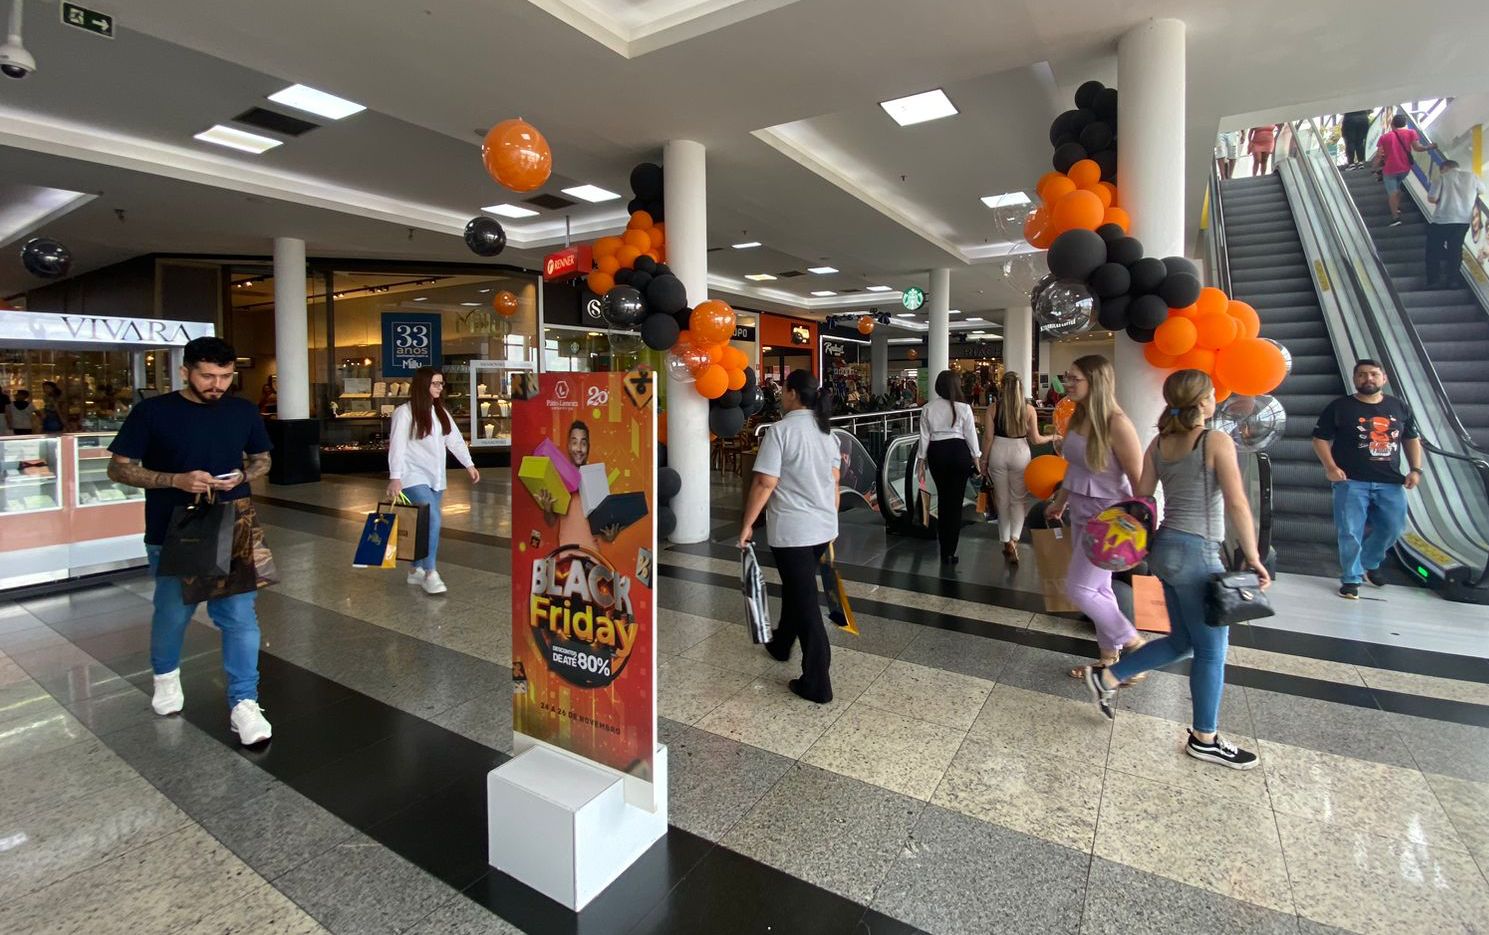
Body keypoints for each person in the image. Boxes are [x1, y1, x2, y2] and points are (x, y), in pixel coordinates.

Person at [1084, 370, 1271, 769]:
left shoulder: (1160, 442)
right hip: (1198, 552)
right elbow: (1237, 503)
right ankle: (1205, 737)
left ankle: (1108, 677)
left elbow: (1142, 499)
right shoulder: (1214, 441)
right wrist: (1253, 556)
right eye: (1213, 393)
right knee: (1212, 651)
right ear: (1203, 401)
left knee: (1182, 641)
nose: (1215, 398)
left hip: (1165, 549)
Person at [106, 337, 274, 746]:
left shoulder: (242, 410)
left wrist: (245, 475)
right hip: (172, 528)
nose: (217, 384)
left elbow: (262, 458)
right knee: (173, 612)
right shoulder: (152, 412)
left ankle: (244, 703)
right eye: (207, 376)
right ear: (186, 372)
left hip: (232, 521)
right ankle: (165, 676)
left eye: (225, 376)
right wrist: (174, 480)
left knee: (239, 616)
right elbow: (119, 469)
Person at [738, 369, 841, 704]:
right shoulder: (828, 433)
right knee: (799, 590)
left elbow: (765, 483)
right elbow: (834, 483)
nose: (781, 396)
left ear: (793, 393)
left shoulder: (781, 432)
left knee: (807, 603)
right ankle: (782, 644)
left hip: (794, 532)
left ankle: (817, 682)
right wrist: (830, 518)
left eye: (784, 391)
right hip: (822, 529)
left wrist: (747, 524)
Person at [1045, 355, 1145, 677]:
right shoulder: (1078, 416)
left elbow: (1139, 479)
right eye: (1068, 377)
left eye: (1075, 379)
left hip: (1107, 520)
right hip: (1080, 511)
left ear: (1096, 382)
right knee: (1099, 589)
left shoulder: (1117, 423)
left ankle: (1133, 644)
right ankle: (1109, 659)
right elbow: (1074, 467)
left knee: (1079, 589)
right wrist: (1060, 501)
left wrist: (1140, 525)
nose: (1067, 384)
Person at [1311, 359, 1423, 599]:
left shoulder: (1399, 407)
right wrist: (1330, 467)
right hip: (1350, 481)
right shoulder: (1340, 407)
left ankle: (1369, 562)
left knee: (1394, 527)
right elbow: (1320, 438)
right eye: (1362, 375)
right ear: (1355, 379)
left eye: (1373, 374)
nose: (1368, 379)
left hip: (1391, 481)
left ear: (1384, 378)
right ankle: (1351, 578)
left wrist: (1416, 469)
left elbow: (1411, 438)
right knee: (1350, 531)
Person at [387, 367, 479, 596]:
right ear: (422, 385)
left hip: (436, 478)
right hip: (412, 477)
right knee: (434, 519)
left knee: (424, 524)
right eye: (435, 383)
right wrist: (395, 477)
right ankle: (430, 572)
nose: (439, 387)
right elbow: (396, 446)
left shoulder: (440, 412)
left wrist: (469, 464)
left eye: (441, 384)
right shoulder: (404, 413)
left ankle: (415, 569)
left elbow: (455, 441)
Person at [980, 371, 1055, 564]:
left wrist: (983, 460)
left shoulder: (993, 409)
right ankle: (1014, 538)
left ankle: (1005, 540)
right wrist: (1054, 437)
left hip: (998, 450)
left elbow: (988, 438)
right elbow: (1036, 439)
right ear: (1021, 388)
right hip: (1020, 452)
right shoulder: (1028, 409)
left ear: (1002, 387)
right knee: (1019, 500)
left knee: (1001, 499)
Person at [917, 370, 981, 565]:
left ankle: (943, 545)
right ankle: (950, 551)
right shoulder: (964, 408)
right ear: (956, 385)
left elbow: (924, 436)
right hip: (959, 453)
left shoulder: (928, 408)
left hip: (937, 453)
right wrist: (977, 459)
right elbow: (971, 436)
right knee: (955, 503)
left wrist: (921, 459)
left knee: (944, 499)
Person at [1425, 160, 1487, 288]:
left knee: (1433, 250)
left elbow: (1432, 198)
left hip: (1442, 220)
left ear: (1446, 167)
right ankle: (1452, 280)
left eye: (1441, 169)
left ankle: (1434, 280)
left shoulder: (1442, 178)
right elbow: (1482, 190)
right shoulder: (1472, 177)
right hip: (1463, 220)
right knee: (1455, 250)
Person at [1372, 113, 1437, 225]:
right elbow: (1418, 148)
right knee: (1397, 186)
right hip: (1405, 168)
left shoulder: (1384, 137)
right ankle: (1396, 207)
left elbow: (1379, 155)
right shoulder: (1411, 133)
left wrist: (1374, 168)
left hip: (1390, 169)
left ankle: (1395, 217)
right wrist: (1429, 147)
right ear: (1404, 124)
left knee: (1392, 192)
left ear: (1392, 124)